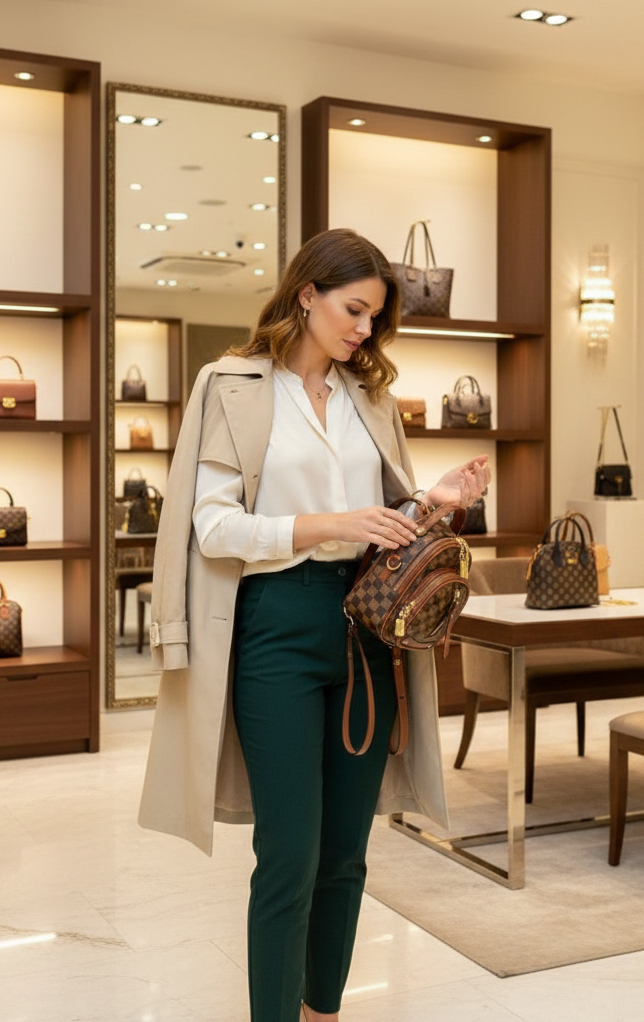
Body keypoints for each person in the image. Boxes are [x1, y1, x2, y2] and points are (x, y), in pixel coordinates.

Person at [139, 227, 491, 1022]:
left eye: (375, 317)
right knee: (289, 856)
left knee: (346, 854)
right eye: (354, 310)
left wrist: (430, 500)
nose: (366, 330)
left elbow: (383, 523)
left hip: (366, 632)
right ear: (307, 295)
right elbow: (215, 528)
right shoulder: (231, 385)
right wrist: (331, 522)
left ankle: (322, 1011)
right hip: (278, 628)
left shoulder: (370, 399)